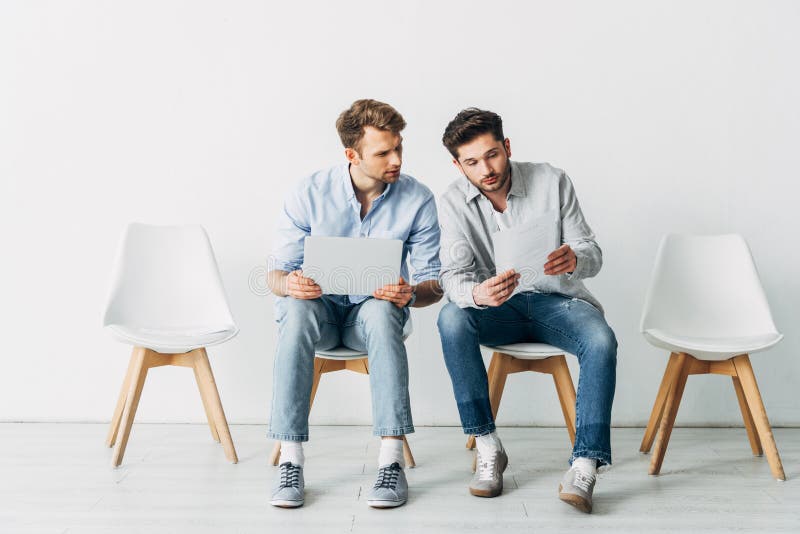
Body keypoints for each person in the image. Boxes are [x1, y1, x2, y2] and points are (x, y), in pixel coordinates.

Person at [436, 108, 617, 513]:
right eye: (471, 162)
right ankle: (487, 446)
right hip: (498, 310)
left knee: (601, 338)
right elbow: (451, 277)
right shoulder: (452, 203)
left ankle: (585, 463)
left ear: (507, 147)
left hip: (558, 302)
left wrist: (575, 258)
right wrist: (479, 293)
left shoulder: (551, 180)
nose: (486, 169)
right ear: (457, 164)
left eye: (493, 155)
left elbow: (592, 253)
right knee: (451, 316)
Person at [266, 99, 442, 509]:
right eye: (383, 152)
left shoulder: (417, 198)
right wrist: (290, 283)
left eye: (398, 147)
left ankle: (391, 462)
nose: (396, 159)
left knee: (384, 313)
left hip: (373, 312)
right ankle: (290, 461)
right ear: (352, 154)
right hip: (319, 312)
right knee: (293, 310)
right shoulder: (308, 193)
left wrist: (411, 293)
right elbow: (275, 275)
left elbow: (434, 283)